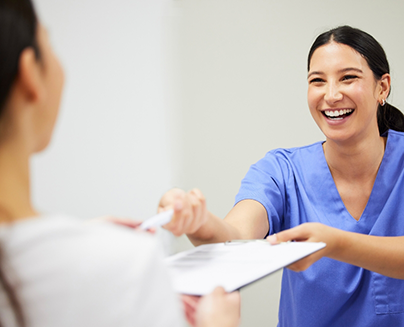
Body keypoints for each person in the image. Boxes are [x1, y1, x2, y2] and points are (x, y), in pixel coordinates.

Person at [0, 0, 240, 326]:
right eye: (49, 42)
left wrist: (78, 237)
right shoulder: (127, 267)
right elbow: (245, 238)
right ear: (30, 72)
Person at [159, 25, 404, 326]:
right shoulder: (281, 170)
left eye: (348, 78)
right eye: (317, 81)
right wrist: (199, 222)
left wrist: (335, 243)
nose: (331, 94)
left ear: (383, 87)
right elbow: (235, 237)